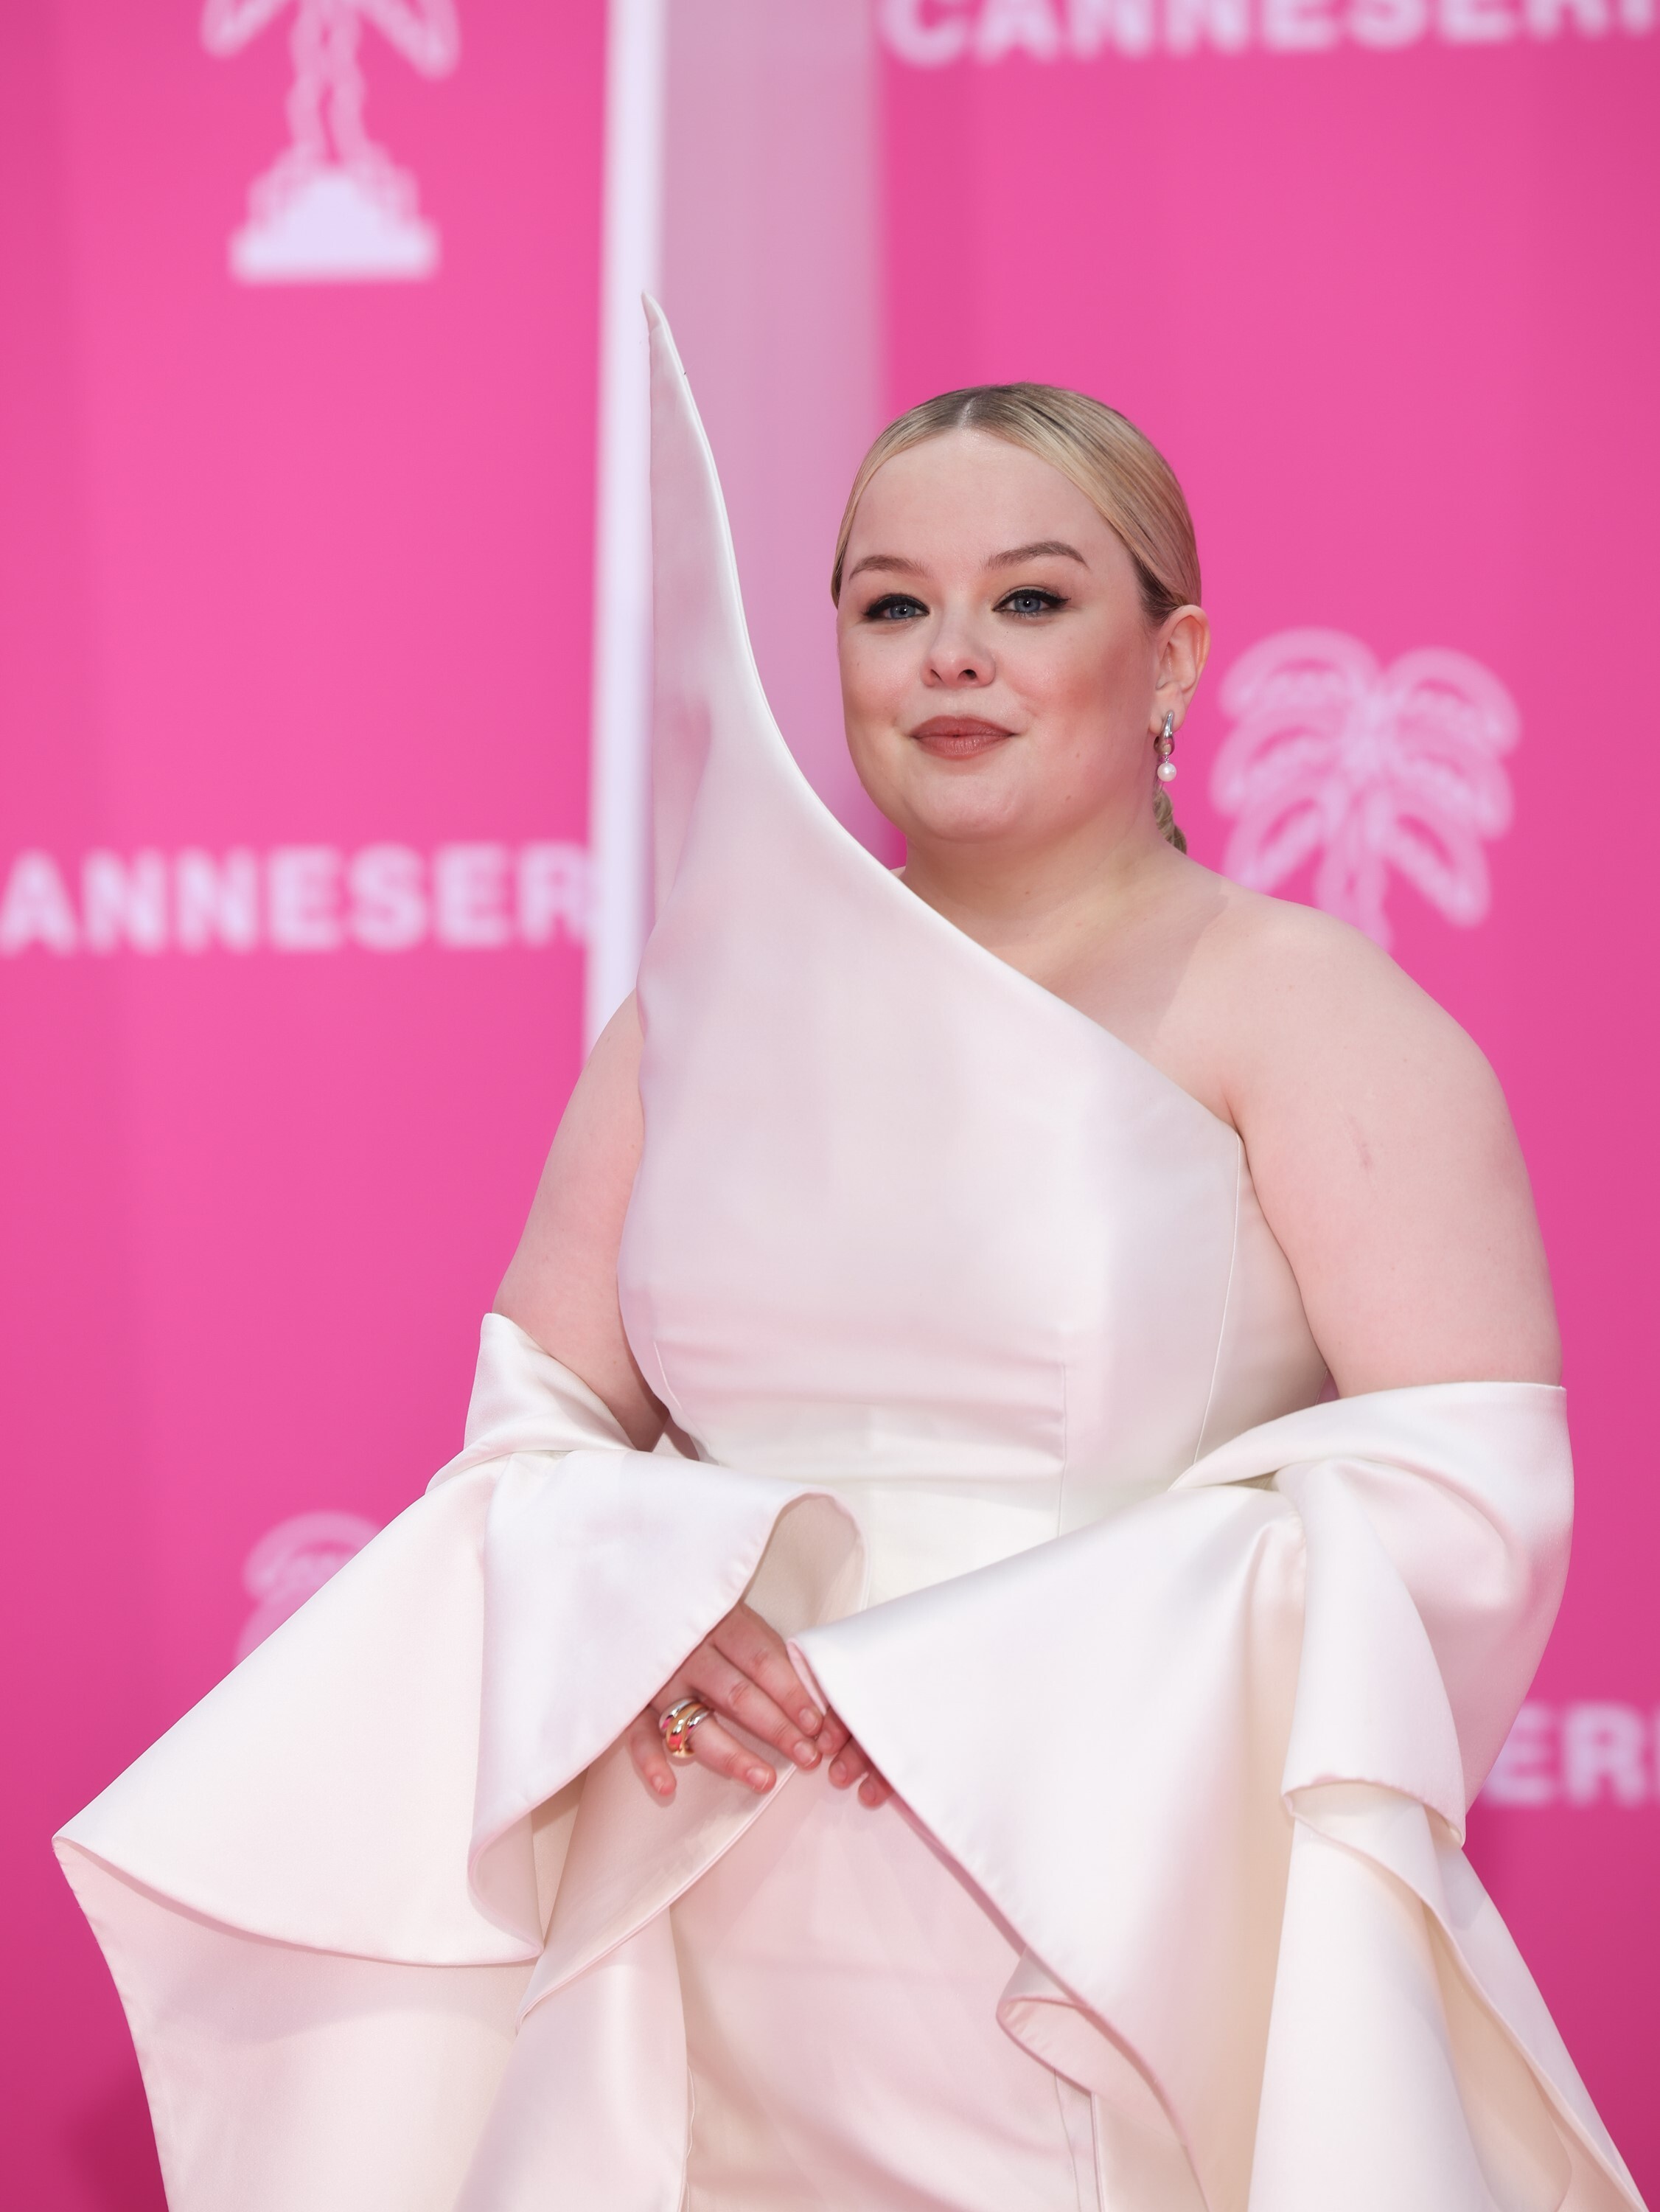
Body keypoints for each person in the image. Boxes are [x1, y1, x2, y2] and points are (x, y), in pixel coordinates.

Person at [57, 305, 1642, 2212]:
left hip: (1101, 1928)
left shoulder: (1306, 1012)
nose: (951, 655)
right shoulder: (693, 1022)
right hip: (699, 1901)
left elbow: (1462, 1501)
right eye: (893, 608)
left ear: (1172, 657)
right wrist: (641, 1602)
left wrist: (1006, 1672)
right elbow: (529, 1437)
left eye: (1029, 599)